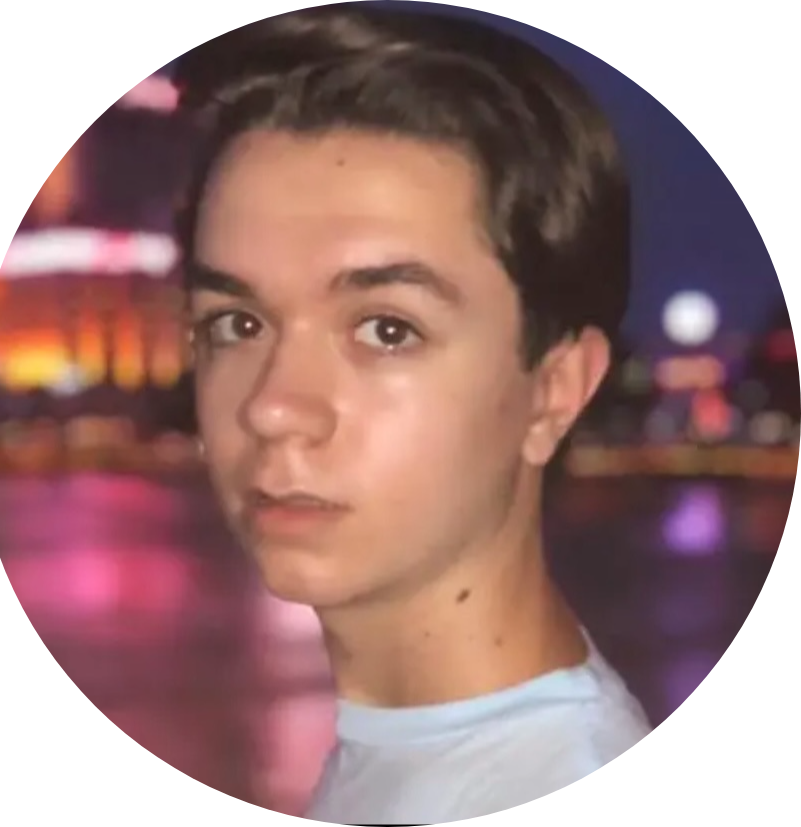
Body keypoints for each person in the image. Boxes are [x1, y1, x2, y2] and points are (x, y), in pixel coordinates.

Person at [174, 6, 652, 821]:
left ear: (554, 388)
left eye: (386, 329)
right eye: (238, 323)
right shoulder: (416, 753)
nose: (273, 407)